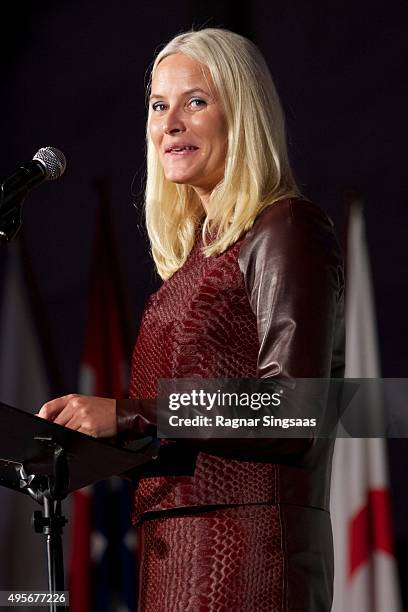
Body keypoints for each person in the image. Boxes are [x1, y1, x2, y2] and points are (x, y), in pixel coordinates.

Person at [38, 28, 345, 611]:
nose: (170, 123)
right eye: (158, 105)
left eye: (195, 101)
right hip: (173, 556)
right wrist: (78, 445)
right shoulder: (191, 263)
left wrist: (127, 415)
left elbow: (294, 406)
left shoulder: (285, 228)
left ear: (243, 113)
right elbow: (184, 434)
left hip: (247, 560)